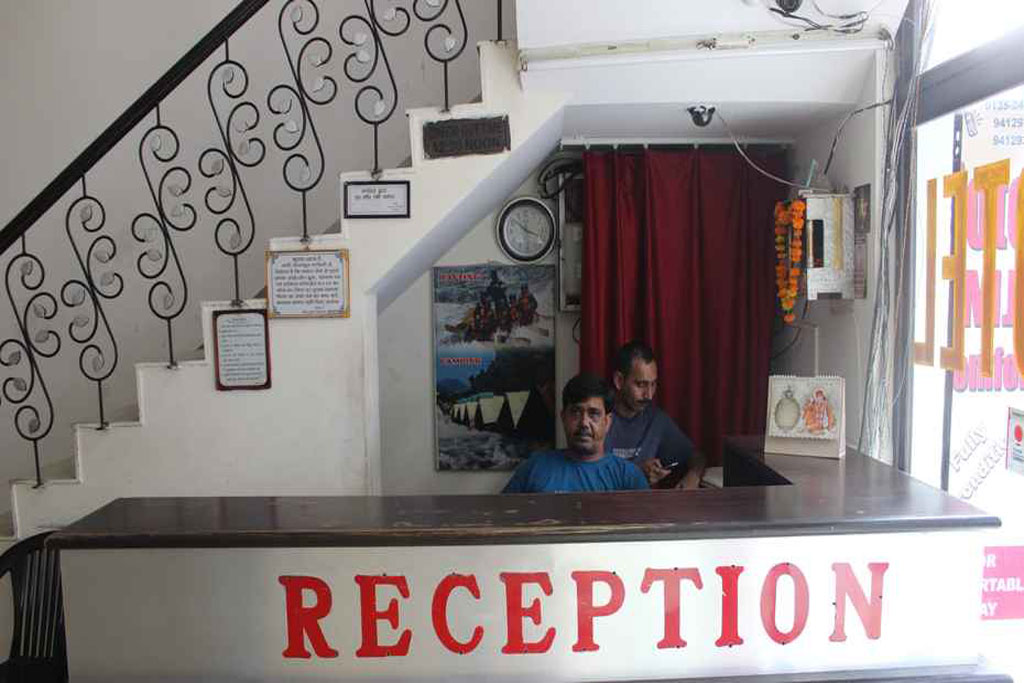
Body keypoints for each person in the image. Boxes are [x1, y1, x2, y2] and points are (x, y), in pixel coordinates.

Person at [502, 373, 649, 493]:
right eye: (576, 412)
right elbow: (500, 517)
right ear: (563, 417)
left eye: (593, 413)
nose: (584, 422)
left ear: (607, 421)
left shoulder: (628, 477)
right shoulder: (534, 468)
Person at [606, 340, 705, 488]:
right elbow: (585, 474)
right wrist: (635, 473)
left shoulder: (657, 420)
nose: (649, 395)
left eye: (653, 384)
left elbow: (696, 457)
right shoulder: (597, 418)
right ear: (619, 381)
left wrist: (693, 476)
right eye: (641, 385)